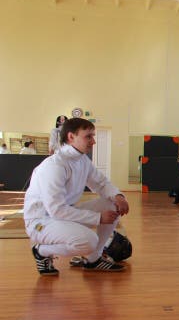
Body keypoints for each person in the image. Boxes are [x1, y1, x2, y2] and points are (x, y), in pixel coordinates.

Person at [23, 117, 129, 275]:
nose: (93, 141)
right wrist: (98, 218)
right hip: (41, 222)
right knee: (89, 240)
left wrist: (118, 197)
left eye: (93, 136)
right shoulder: (54, 166)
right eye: (88, 136)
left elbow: (100, 183)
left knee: (111, 204)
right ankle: (42, 251)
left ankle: (92, 260)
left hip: (63, 215)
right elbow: (56, 210)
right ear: (71, 137)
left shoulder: (82, 161)